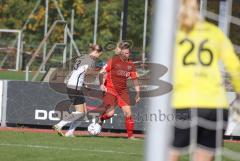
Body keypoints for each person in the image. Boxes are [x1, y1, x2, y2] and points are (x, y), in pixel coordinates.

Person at [170, 0, 240, 161]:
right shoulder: (213, 32)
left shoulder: (173, 32)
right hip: (215, 106)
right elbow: (235, 68)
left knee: (168, 154)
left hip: (184, 103)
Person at [53, 44, 103, 137]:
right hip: (74, 86)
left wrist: (84, 83)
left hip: (74, 85)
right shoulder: (90, 60)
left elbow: (79, 72)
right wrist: (99, 71)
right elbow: (87, 72)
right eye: (99, 55)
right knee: (80, 112)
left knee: (83, 114)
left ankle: (70, 133)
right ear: (97, 52)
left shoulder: (83, 57)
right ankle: (59, 125)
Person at [97, 41, 140, 139]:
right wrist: (101, 84)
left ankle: (130, 136)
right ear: (121, 53)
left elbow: (135, 80)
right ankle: (101, 118)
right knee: (110, 114)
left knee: (128, 113)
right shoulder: (114, 60)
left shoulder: (131, 64)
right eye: (125, 53)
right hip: (111, 90)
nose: (127, 54)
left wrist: (138, 93)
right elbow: (101, 72)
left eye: (128, 53)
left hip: (122, 92)